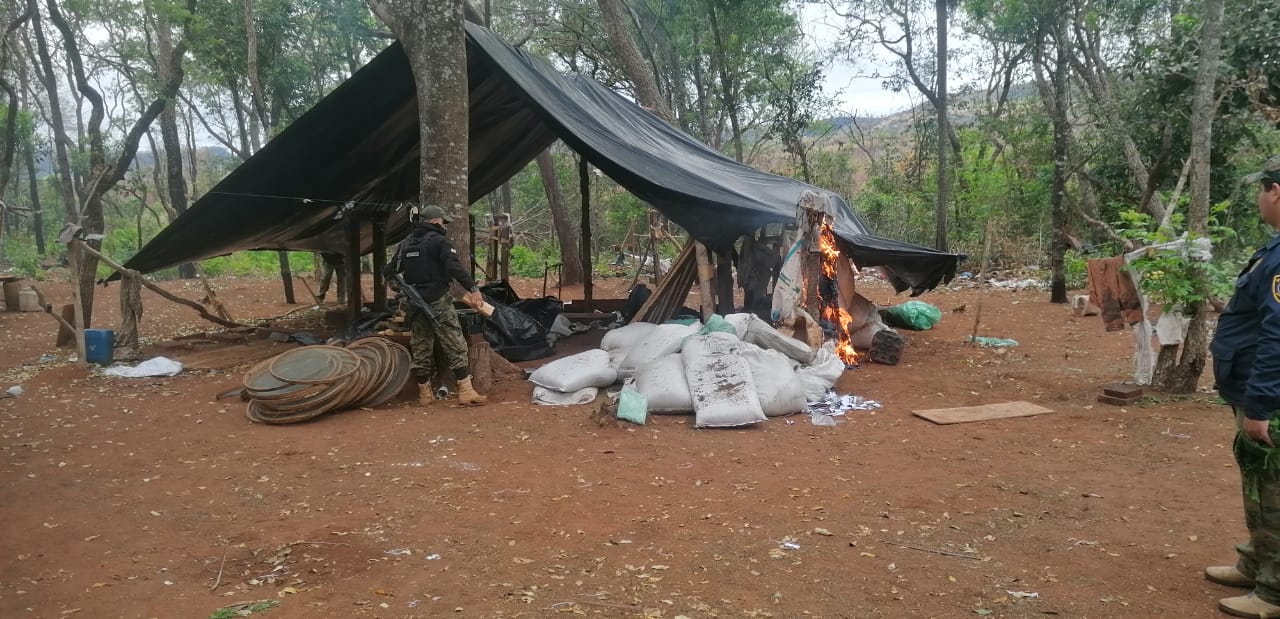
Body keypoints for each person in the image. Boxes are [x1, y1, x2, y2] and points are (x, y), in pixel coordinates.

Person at [1207, 155, 1280, 618]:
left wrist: (1261, 404)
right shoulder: (1274, 250)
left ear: (1276, 192)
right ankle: (1256, 563)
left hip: (1268, 395)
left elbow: (1279, 333)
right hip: (1254, 388)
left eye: (1262, 189)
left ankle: (1274, 590)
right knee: (1257, 480)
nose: (1259, 198)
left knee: (1273, 487)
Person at [386, 205, 487, 407]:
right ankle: (466, 391)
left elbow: (390, 271)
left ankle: (425, 394)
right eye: (442, 221)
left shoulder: (406, 243)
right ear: (434, 221)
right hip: (438, 300)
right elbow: (454, 267)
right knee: (455, 342)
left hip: (414, 304)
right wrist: (473, 288)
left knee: (421, 345)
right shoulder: (439, 241)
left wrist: (404, 291)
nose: (444, 224)